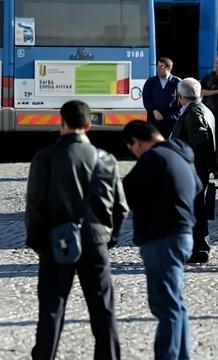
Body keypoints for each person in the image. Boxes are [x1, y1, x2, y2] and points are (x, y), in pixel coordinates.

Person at [25, 100, 129, 360]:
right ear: (87, 125)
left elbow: (35, 206)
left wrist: (38, 243)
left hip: (56, 242)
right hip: (96, 242)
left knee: (51, 311)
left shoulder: (45, 158)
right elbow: (121, 207)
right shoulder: (106, 159)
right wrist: (108, 238)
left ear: (62, 122)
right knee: (103, 312)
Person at [122, 120, 202, 360]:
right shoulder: (181, 154)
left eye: (132, 148)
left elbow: (127, 190)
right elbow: (197, 187)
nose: (134, 154)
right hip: (183, 233)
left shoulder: (154, 158)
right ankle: (181, 355)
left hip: (162, 237)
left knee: (165, 305)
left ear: (137, 142)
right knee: (176, 303)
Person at [172, 77, 217, 264]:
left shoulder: (194, 112)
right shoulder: (201, 109)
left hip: (193, 171)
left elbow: (198, 144)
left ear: (180, 95)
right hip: (195, 170)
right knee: (195, 210)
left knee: (194, 211)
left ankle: (198, 249)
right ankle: (196, 247)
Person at [142, 57, 182, 139]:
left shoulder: (177, 82)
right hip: (154, 121)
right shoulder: (151, 82)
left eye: (161, 66)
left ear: (168, 68)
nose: (158, 69)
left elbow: (182, 101)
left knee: (170, 146)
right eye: (158, 66)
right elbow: (146, 98)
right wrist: (153, 110)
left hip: (171, 122)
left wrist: (175, 116)